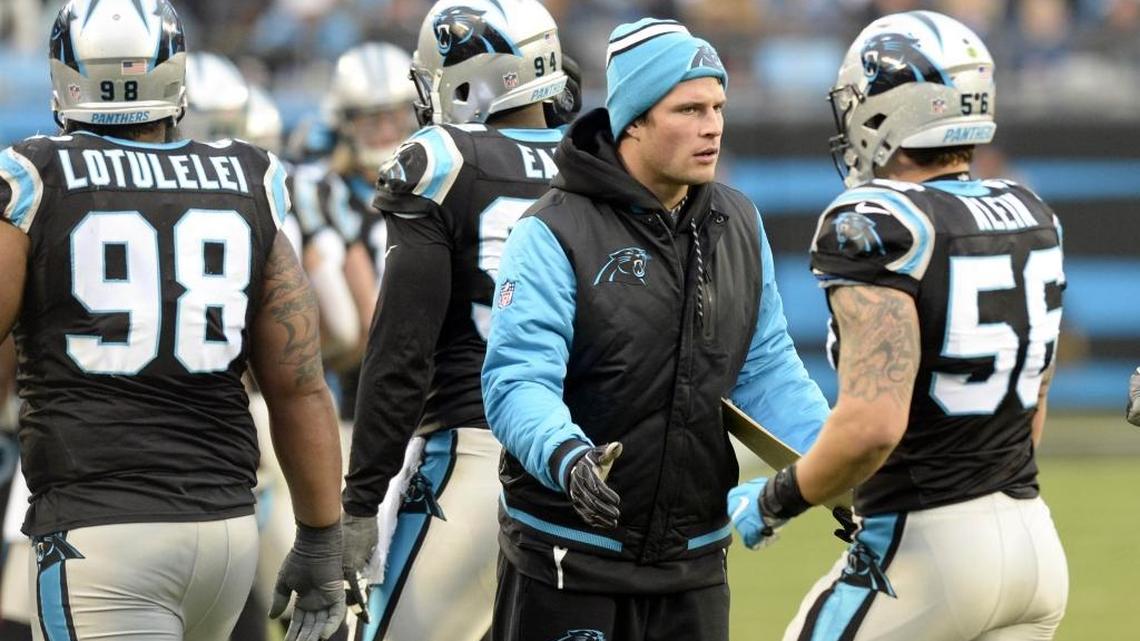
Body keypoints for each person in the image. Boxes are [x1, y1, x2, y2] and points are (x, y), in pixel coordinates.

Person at [0, 2, 346, 640]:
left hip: (99, 532)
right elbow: (298, 382)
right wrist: (323, 536)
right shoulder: (246, 176)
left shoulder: (33, 175)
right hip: (225, 536)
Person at [480, 17, 828, 641]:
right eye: (689, 108)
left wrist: (837, 464)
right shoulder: (552, 231)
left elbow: (767, 369)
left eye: (718, 106)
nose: (713, 125)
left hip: (693, 562)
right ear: (633, 119)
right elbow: (516, 381)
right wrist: (568, 457)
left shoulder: (740, 222)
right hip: (569, 555)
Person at [730, 11, 1070, 641]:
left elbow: (872, 425)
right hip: (1034, 543)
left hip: (926, 551)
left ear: (891, 110)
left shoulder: (877, 221)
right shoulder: (1030, 211)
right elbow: (1033, 405)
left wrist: (775, 499)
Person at [339, 1, 577, 639]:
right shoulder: (604, 165)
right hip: (587, 470)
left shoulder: (445, 159)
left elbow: (399, 352)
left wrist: (361, 499)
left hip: (476, 455)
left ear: (473, 78)